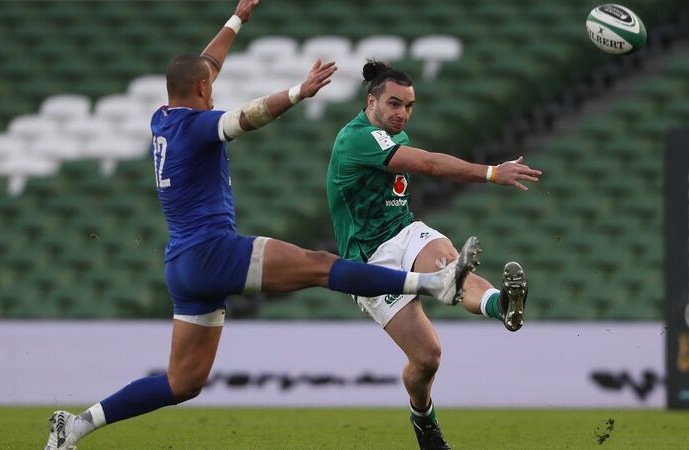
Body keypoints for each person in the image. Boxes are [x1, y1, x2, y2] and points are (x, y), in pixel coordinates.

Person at [43, 3, 482, 449]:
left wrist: (237, 19)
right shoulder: (197, 126)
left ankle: (75, 427)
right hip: (214, 251)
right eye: (208, 84)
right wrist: (299, 91)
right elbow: (247, 116)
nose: (213, 87)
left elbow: (206, 63)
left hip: (182, 264)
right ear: (200, 88)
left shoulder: (163, 118)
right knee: (321, 265)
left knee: (183, 382)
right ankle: (432, 283)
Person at [326, 60, 543, 450]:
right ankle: (423, 419)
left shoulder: (392, 137)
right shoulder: (356, 138)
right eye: (394, 104)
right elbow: (427, 164)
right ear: (370, 101)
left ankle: (501, 304)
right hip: (369, 261)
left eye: (409, 106)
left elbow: (422, 163)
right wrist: (492, 172)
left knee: (449, 263)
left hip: (407, 232)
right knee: (427, 358)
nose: (402, 114)